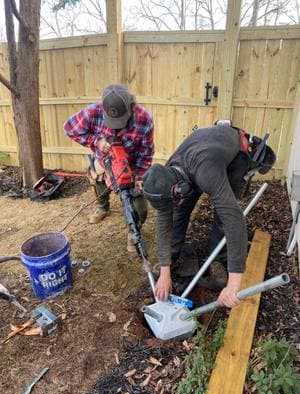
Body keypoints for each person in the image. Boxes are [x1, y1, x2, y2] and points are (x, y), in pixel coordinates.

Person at [143, 122, 276, 308]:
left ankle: (219, 258)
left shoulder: (207, 172)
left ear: (180, 188)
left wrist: (234, 284)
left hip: (235, 154)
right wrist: (165, 272)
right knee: (179, 211)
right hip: (204, 151)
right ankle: (173, 256)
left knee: (223, 214)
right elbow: (164, 222)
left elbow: (234, 219)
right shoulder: (164, 175)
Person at [64, 84, 154, 251]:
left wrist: (140, 177)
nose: (116, 125)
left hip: (131, 166)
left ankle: (133, 231)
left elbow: (146, 153)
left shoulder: (144, 119)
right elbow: (69, 128)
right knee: (98, 178)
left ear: (130, 108)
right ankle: (103, 207)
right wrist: (96, 141)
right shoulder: (92, 112)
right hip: (103, 160)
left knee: (140, 206)